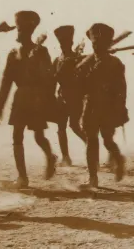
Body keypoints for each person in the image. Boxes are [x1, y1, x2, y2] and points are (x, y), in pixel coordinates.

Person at [0, 10, 57, 189]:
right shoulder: (13, 53)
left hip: (37, 98)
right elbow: (6, 81)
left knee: (39, 136)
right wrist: (0, 106)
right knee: (17, 135)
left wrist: (47, 99)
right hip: (20, 97)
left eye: (23, 30)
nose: (20, 33)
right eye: (19, 29)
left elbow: (49, 77)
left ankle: (50, 156)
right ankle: (22, 177)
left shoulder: (41, 51)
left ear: (31, 31)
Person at [77, 23, 127, 188]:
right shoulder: (86, 62)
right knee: (91, 141)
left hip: (108, 107)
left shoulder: (114, 63)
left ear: (107, 44)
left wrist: (120, 109)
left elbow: (121, 89)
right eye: (94, 42)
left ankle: (118, 159)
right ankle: (93, 178)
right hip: (90, 106)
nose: (96, 45)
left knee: (107, 140)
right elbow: (79, 84)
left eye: (100, 42)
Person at [52, 25, 87, 166]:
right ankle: (65, 157)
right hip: (61, 96)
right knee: (60, 127)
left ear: (71, 43)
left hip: (75, 96)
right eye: (61, 43)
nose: (63, 46)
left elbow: (82, 77)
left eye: (65, 43)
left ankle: (90, 146)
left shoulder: (77, 58)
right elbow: (53, 79)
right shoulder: (57, 59)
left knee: (74, 125)